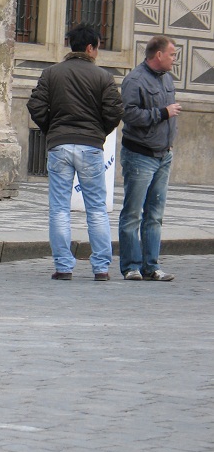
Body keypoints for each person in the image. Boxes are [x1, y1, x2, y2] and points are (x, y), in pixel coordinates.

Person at [26, 24, 123, 281]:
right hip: (90, 146)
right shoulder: (103, 77)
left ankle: (63, 266)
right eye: (98, 47)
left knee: (59, 208)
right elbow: (115, 111)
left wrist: (51, 129)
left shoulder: (51, 73)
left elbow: (35, 105)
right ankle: (101, 267)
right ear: (90, 48)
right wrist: (99, 132)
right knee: (97, 209)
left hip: (59, 144)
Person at [118, 36, 180, 282]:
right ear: (158, 55)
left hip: (163, 154)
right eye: (172, 54)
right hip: (140, 155)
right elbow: (129, 114)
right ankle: (131, 266)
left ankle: (151, 266)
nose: (174, 59)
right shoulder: (135, 79)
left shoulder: (167, 79)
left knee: (155, 214)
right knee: (133, 213)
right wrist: (162, 113)